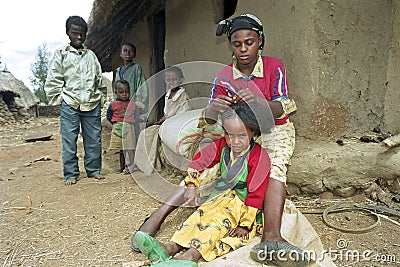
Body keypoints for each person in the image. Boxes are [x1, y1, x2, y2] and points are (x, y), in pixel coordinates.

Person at [134, 102, 274, 266]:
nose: (235, 141)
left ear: (253, 133)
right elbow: (199, 161)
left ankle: (191, 255)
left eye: (242, 135)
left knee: (217, 224)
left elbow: (256, 193)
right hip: (220, 197)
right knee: (199, 218)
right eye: (229, 135)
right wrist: (192, 184)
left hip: (242, 205)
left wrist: (244, 224)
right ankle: (171, 248)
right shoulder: (222, 146)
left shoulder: (259, 157)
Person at [45, 15, 107, 185]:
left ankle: (94, 170)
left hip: (91, 103)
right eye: (75, 33)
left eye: (82, 34)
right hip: (70, 104)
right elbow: (54, 79)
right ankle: (71, 173)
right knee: (69, 140)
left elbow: (99, 80)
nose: (79, 37)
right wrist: (61, 100)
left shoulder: (91, 56)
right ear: (68, 33)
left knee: (94, 139)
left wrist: (100, 97)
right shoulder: (61, 55)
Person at [135, 66, 190, 175]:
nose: (171, 82)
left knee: (151, 135)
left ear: (181, 80)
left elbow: (182, 116)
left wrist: (166, 123)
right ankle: (142, 164)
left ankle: (150, 164)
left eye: (174, 79)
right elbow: (167, 114)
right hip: (167, 123)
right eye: (168, 80)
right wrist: (160, 121)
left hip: (177, 126)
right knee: (144, 134)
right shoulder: (168, 94)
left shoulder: (183, 97)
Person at [113, 42, 148, 139]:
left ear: (135, 55)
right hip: (121, 107)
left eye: (131, 51)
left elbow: (142, 86)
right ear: (120, 54)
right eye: (125, 51)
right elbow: (115, 89)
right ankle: (123, 153)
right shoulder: (118, 71)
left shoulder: (137, 68)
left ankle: (133, 152)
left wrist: (139, 103)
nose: (127, 53)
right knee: (121, 134)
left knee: (133, 132)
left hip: (133, 105)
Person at [106, 80, 137, 174]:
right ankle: (122, 166)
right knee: (121, 149)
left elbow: (136, 116)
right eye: (121, 92)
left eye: (127, 92)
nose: (124, 94)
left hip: (130, 128)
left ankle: (130, 166)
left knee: (130, 148)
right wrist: (115, 124)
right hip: (118, 128)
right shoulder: (113, 105)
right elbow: (109, 116)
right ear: (116, 92)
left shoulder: (132, 104)